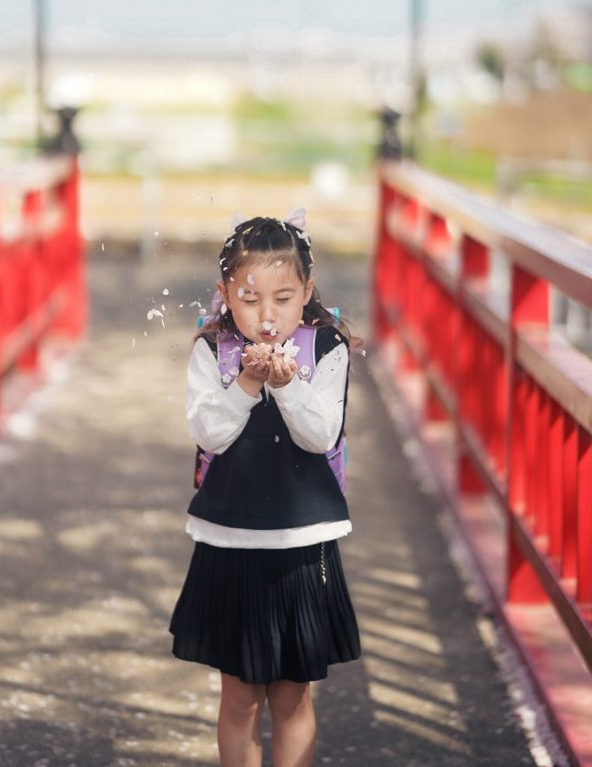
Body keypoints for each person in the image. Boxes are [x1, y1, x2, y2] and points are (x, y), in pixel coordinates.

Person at [169, 210, 361, 767]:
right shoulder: (212, 349)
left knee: (293, 696)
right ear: (226, 293)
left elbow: (321, 434)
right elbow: (210, 433)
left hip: (305, 543)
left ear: (307, 291)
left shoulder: (327, 348)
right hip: (230, 540)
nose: (267, 315)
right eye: (249, 298)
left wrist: (289, 382)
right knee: (240, 699)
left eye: (283, 297)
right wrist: (248, 383)